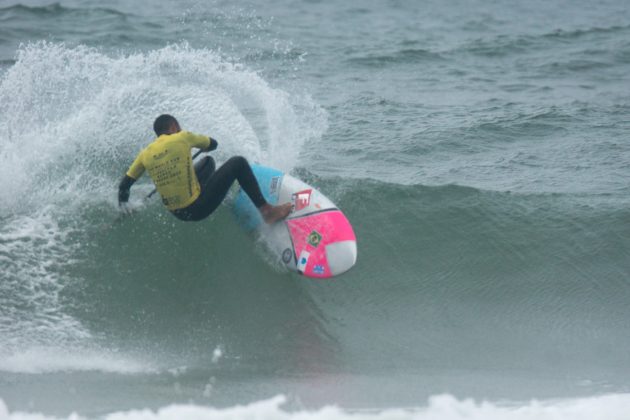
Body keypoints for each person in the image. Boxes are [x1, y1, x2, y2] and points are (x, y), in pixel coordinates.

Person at [118, 114, 292, 223]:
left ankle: (208, 190)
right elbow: (213, 143)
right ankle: (267, 211)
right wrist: (205, 145)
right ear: (174, 127)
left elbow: (124, 186)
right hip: (197, 208)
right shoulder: (182, 137)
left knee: (208, 162)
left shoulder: (145, 154)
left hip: (177, 213)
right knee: (238, 162)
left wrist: (125, 205)